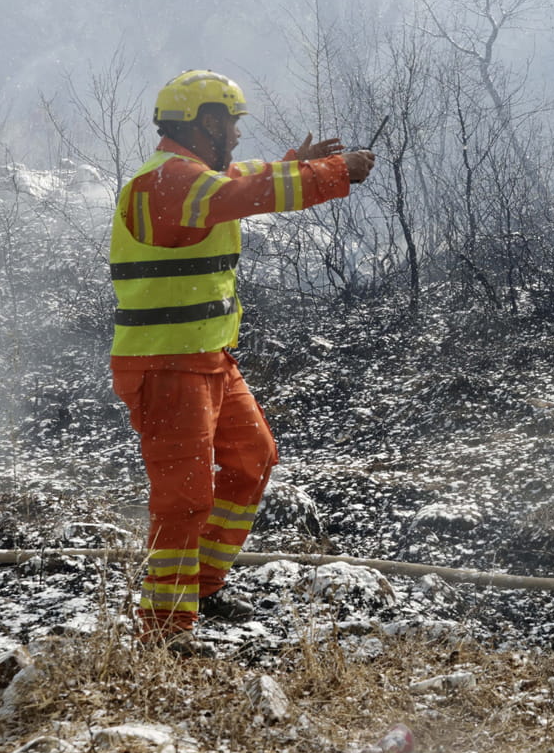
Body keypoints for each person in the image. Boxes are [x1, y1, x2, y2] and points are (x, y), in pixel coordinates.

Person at [111, 70, 374, 651]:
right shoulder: (165, 183)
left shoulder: (193, 177)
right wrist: (330, 174)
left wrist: (292, 164)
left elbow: (240, 178)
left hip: (207, 361)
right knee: (185, 498)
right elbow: (236, 193)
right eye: (230, 123)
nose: (235, 135)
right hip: (167, 366)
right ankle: (165, 632)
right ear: (205, 122)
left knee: (252, 459)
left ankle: (201, 591)